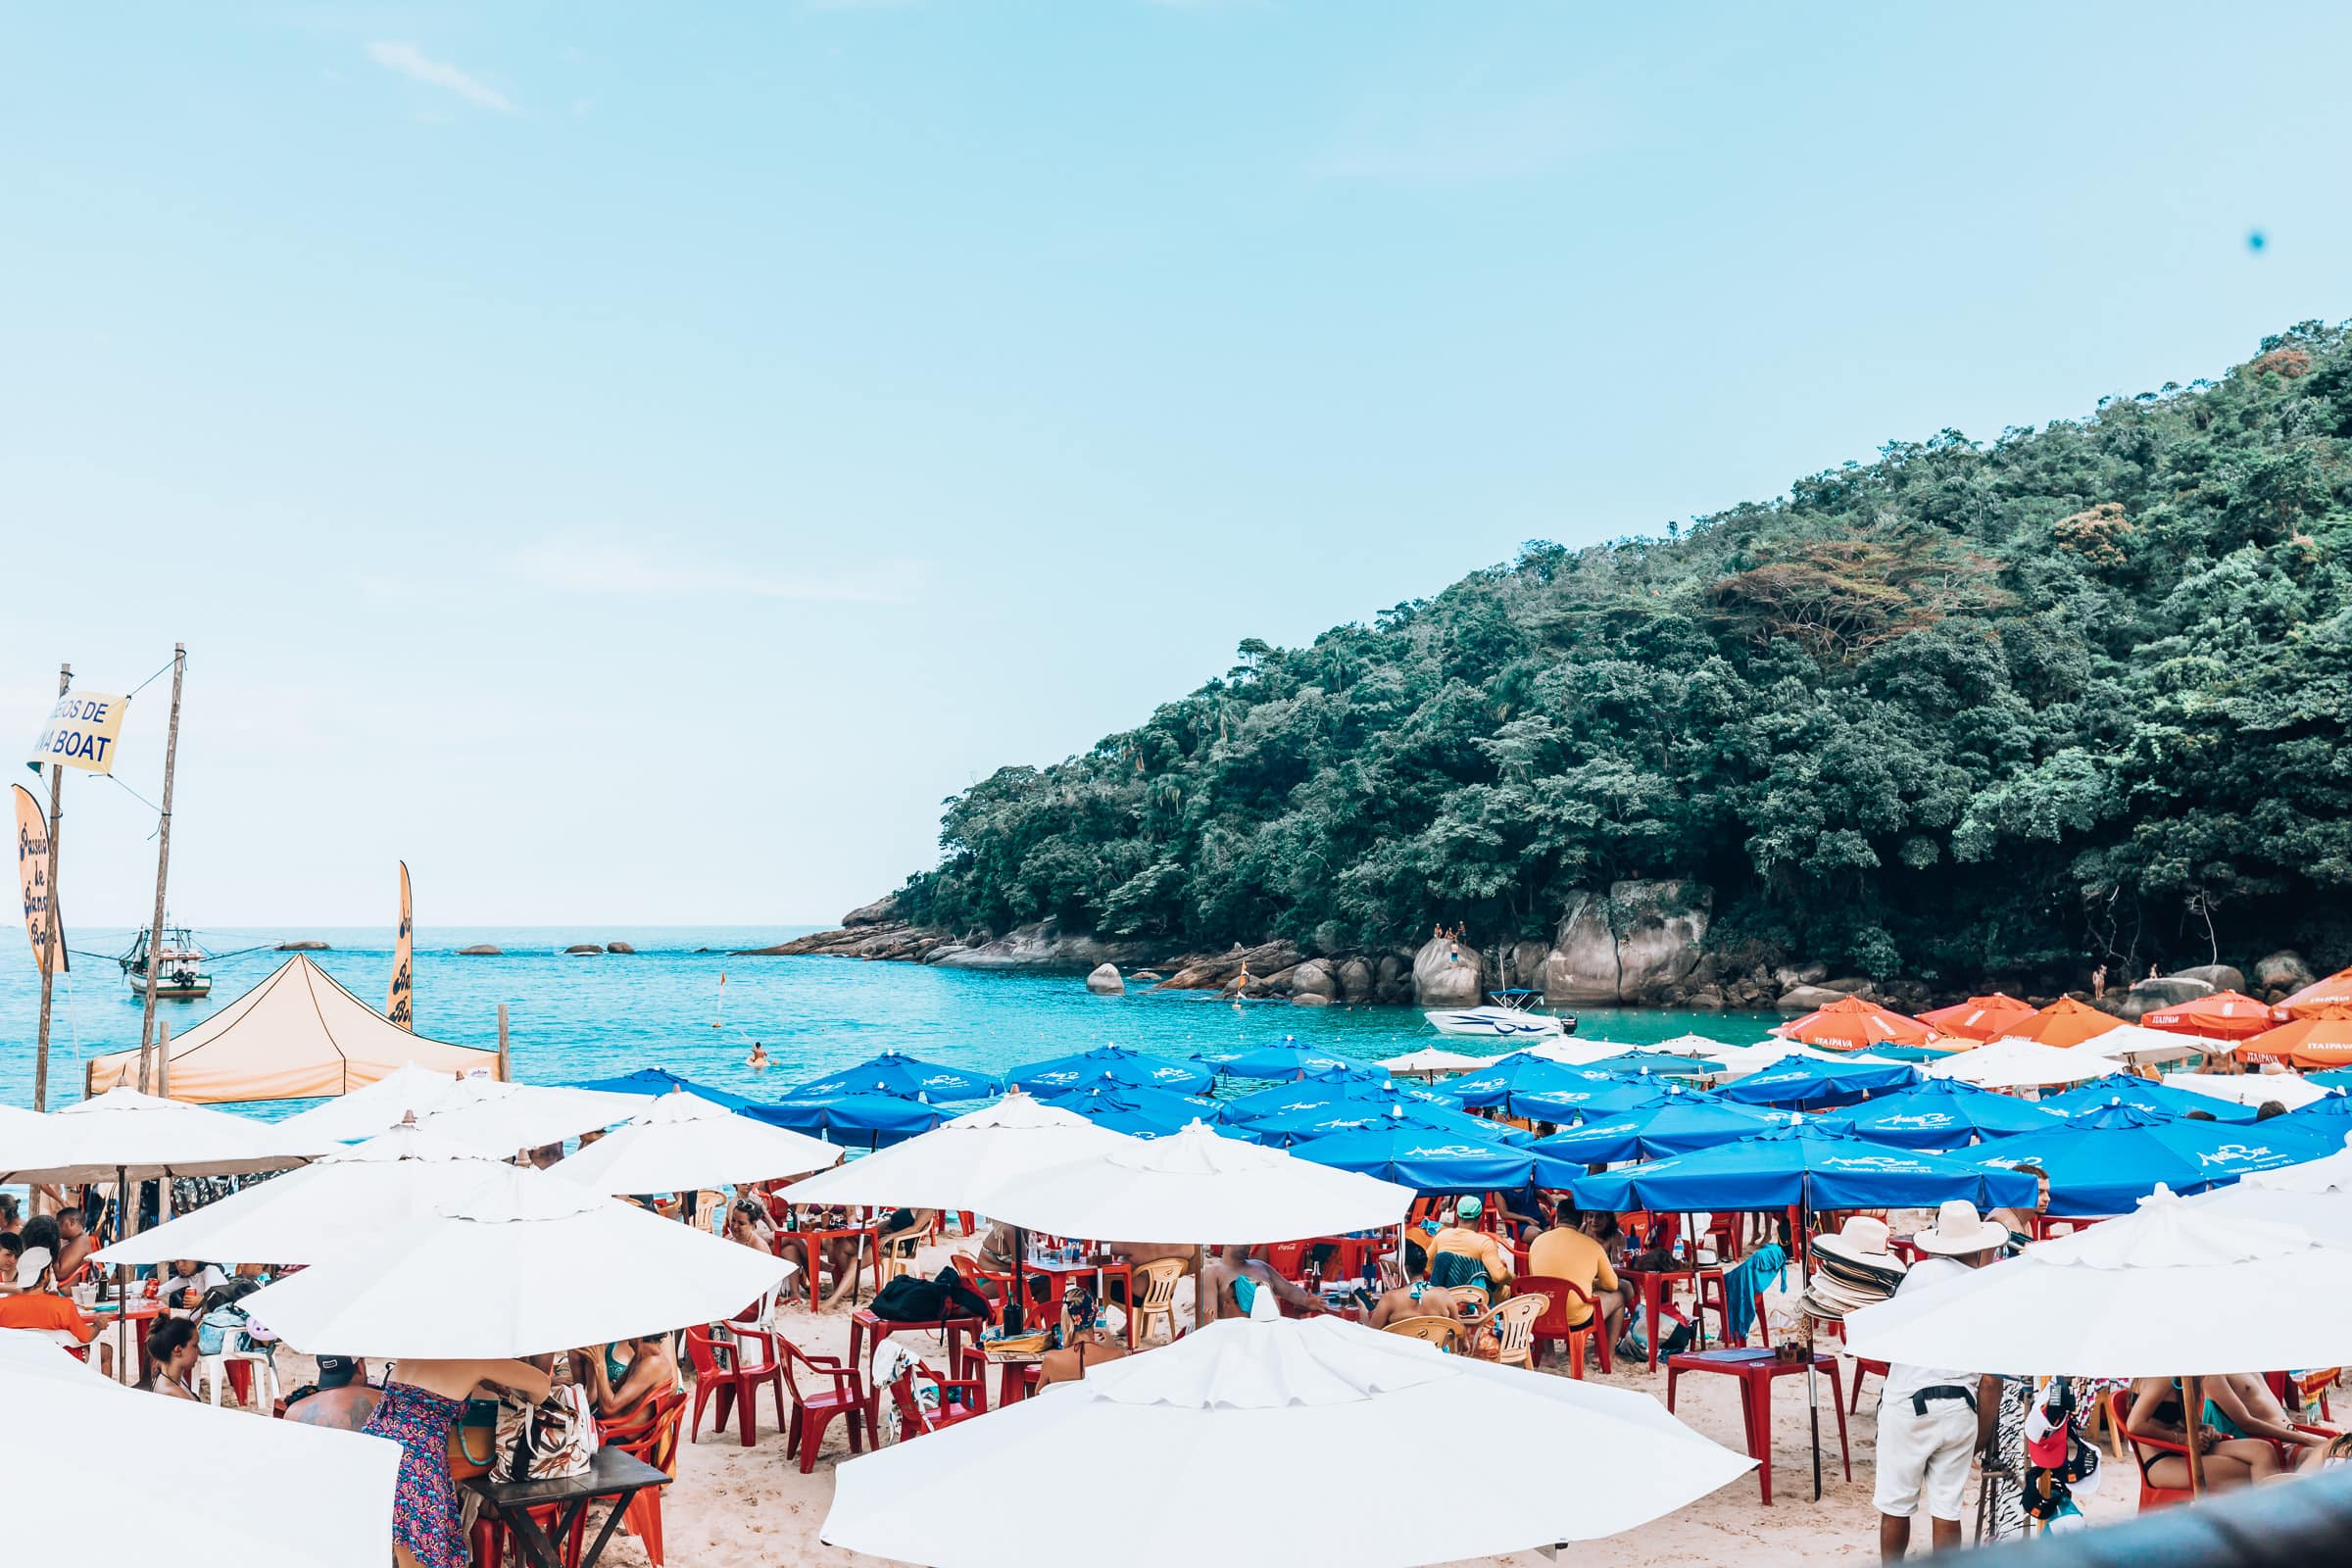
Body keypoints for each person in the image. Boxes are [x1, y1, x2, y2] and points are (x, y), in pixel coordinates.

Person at [1874, 1201, 2008, 1562]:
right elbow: (1992, 1379)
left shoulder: (1919, 1275)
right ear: (1979, 1244)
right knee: (1947, 1509)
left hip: (1909, 1402)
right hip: (1960, 1405)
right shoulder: (1987, 1288)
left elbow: (1890, 1338)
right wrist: (1980, 1431)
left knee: (1896, 1505)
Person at [2126, 1375, 2285, 1490]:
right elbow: (2134, 1425)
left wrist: (2205, 1428)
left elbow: (2187, 1421)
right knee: (2247, 1471)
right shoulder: (2163, 1377)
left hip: (2187, 1450)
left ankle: (2267, 1519)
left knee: (2263, 1450)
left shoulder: (2189, 1377)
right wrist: (2181, 1439)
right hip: (2162, 1461)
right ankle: (2264, 1525)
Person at [1526, 1210, 1625, 1353]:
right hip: (1577, 1320)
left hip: (1542, 1316)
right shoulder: (1591, 1245)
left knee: (1545, 1293)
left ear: (1557, 1219)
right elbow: (1612, 1285)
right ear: (1581, 1221)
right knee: (1619, 1297)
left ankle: (1549, 1355)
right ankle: (1607, 1355)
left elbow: (1535, 1277)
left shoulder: (1537, 1241)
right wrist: (1592, 1282)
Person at [572, 1331, 680, 1428]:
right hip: (611, 1421)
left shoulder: (653, 1363)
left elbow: (608, 1409)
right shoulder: (641, 1357)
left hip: (618, 1432)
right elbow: (614, 1391)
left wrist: (599, 1363)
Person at [1202, 1244, 1329, 1322]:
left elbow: (1289, 1290)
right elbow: (1210, 1318)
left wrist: (1305, 1300)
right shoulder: (1213, 1273)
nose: (1249, 1244)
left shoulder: (1260, 1266)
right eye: (1244, 1241)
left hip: (1273, 1333)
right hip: (1239, 1338)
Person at [1365, 1243, 1476, 1329]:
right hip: (1434, 1353)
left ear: (1405, 1268)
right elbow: (1459, 1327)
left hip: (1400, 1355)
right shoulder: (1443, 1294)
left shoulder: (1391, 1298)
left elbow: (1372, 1333)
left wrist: (1363, 1310)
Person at [1426, 1198, 1512, 1305]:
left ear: (1457, 1216)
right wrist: (1512, 1279)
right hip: (1476, 1303)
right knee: (1505, 1290)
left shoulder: (1442, 1236)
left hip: (1445, 1299)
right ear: (1481, 1218)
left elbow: (1427, 1264)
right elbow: (1499, 1276)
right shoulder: (1484, 1242)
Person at [1988, 1164, 2052, 1249]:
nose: (2047, 1199)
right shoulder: (2000, 1223)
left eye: (2047, 1192)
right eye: (2039, 1192)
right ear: (2020, 1191)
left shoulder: (2025, 1218)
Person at [139, 1317, 201, 1399]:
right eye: (195, 1346)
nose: (199, 1351)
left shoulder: (165, 1374)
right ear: (177, 1350)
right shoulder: (174, 1393)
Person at [158, 1257, 227, 1319]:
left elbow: (218, 1300)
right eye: (177, 1261)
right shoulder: (191, 1275)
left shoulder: (211, 1270)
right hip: (199, 1317)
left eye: (184, 1260)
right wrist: (151, 1289)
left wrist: (200, 1301)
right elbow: (164, 1288)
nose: (180, 1265)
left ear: (197, 1260)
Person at [52, 1205, 95, 1287]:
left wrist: (51, 1248)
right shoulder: (76, 1240)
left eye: (59, 1223)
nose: (57, 1228)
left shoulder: (81, 1241)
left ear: (72, 1222)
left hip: (65, 1293)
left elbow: (60, 1273)